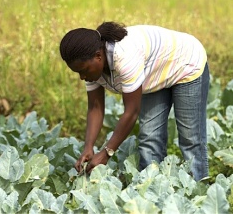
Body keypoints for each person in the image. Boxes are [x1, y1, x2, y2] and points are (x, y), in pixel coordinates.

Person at [59, 22, 209, 181]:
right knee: (150, 136)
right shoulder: (91, 68)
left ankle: (198, 189)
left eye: (83, 71)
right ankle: (152, 190)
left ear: (98, 56)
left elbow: (131, 112)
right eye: (78, 73)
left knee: (190, 138)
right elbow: (95, 108)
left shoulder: (124, 56)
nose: (82, 77)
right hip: (154, 74)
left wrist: (106, 152)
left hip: (185, 64)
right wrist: (88, 147)